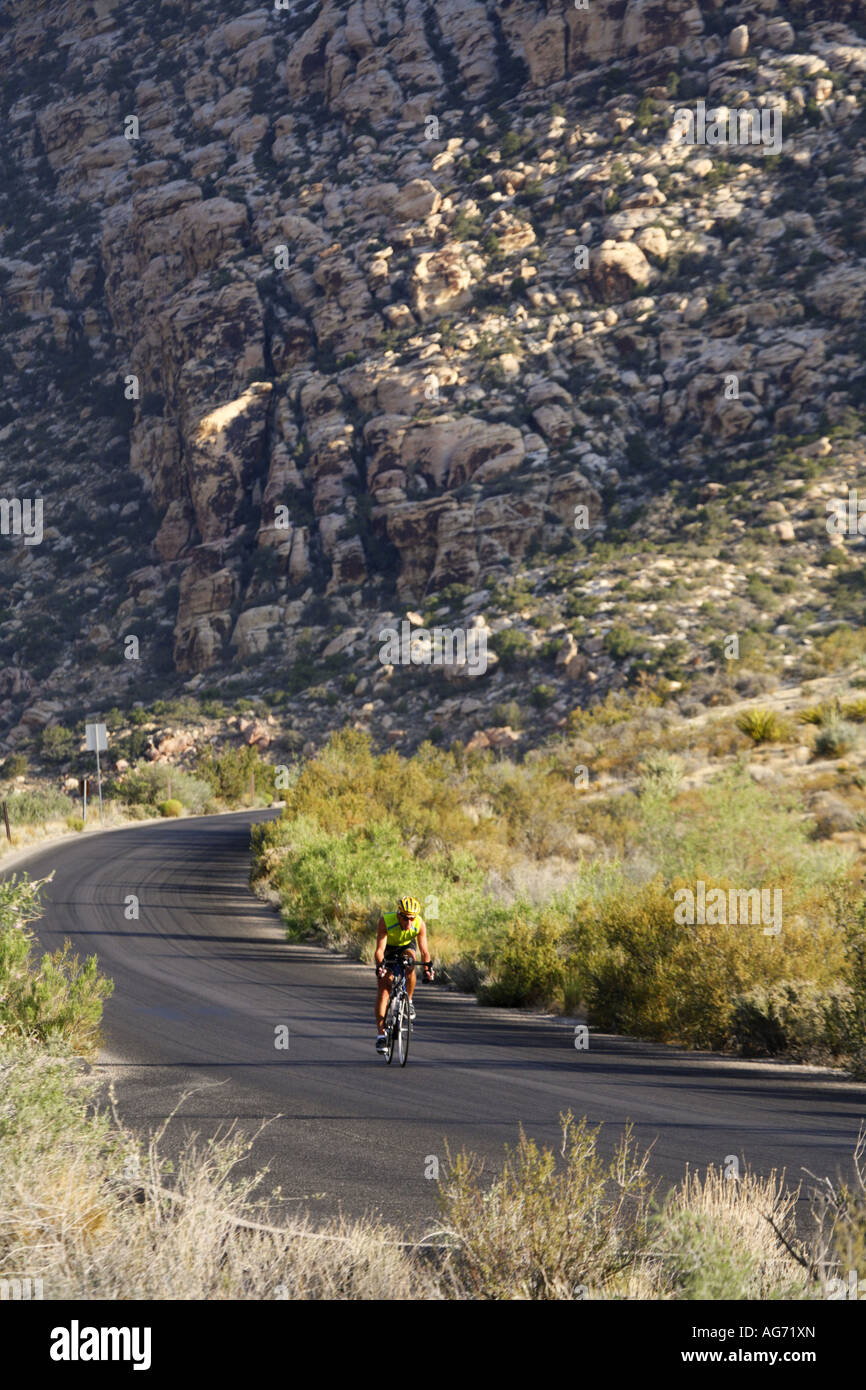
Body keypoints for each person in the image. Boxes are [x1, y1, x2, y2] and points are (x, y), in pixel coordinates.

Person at [374, 895, 434, 1053]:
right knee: (384, 990)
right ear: (398, 915)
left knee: (411, 962)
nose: (409, 923)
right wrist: (381, 966)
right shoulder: (386, 921)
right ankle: (381, 1035)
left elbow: (424, 951)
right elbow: (379, 950)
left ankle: (410, 1001)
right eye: (406, 919)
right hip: (389, 948)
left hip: (406, 947)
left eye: (412, 919)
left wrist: (428, 968)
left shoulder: (419, 924)